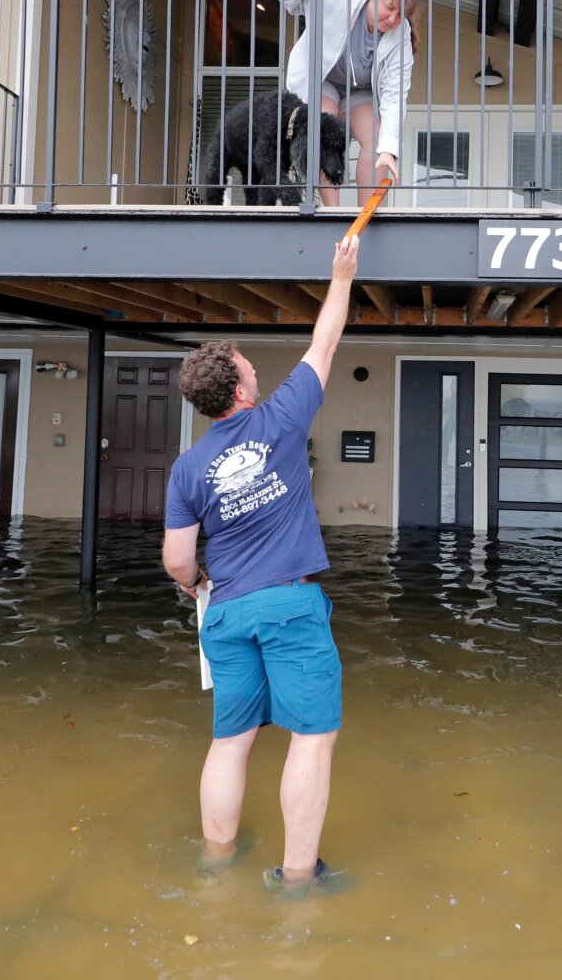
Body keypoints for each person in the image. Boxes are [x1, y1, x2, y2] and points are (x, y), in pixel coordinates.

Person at [162, 234, 360, 892]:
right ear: (242, 391)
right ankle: (298, 877)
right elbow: (324, 342)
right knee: (312, 737)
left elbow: (177, 561)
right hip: (289, 605)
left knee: (232, 739)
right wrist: (341, 274)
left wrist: (198, 587)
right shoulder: (280, 419)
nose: (255, 370)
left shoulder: (189, 468)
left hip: (225, 612)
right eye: (249, 367)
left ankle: (217, 863)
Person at [274, 0, 419, 207]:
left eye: (401, 15)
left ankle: (367, 217)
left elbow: (394, 95)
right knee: (324, 129)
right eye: (389, 8)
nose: (393, 19)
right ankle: (332, 212)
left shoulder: (401, 34)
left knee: (376, 141)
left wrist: (389, 149)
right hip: (324, 79)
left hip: (361, 90)